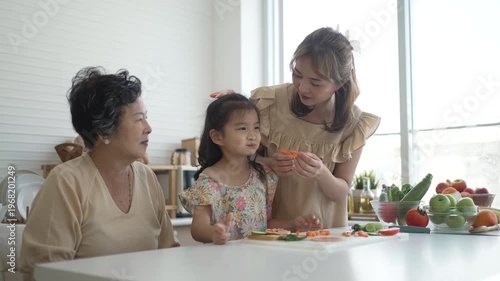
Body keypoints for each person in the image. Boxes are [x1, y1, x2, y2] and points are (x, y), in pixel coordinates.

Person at [20, 66, 179, 280]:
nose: (148, 127)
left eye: (146, 118)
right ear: (104, 130)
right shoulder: (66, 181)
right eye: (139, 119)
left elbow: (169, 253)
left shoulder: (147, 177)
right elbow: (44, 272)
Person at [215, 27, 380, 229]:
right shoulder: (270, 102)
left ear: (340, 82)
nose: (302, 87)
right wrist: (267, 163)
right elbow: (234, 156)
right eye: (297, 74)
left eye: (316, 82)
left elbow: (340, 192)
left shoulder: (353, 123)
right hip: (273, 230)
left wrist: (321, 172)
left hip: (325, 234)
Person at [178, 94, 322, 245]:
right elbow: (198, 229)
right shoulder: (209, 180)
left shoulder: (263, 175)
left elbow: (265, 224)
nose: (252, 135)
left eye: (256, 127)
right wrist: (214, 233)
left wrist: (293, 224)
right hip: (223, 263)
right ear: (217, 137)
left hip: (258, 260)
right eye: (242, 128)